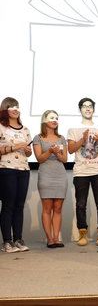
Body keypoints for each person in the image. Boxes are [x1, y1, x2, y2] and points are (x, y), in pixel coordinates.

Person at [67, 98, 98, 246]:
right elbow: (71, 149)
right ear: (79, 109)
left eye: (90, 106)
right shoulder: (73, 129)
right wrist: (82, 139)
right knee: (81, 204)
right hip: (81, 172)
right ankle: (82, 234)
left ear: (94, 109)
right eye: (84, 106)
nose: (87, 109)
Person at [0, 97, 32, 253]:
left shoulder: (25, 129)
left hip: (24, 170)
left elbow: (29, 152)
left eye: (17, 106)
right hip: (6, 169)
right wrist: (15, 146)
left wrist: (27, 150)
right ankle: (7, 242)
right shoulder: (0, 127)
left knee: (19, 206)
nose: (15, 109)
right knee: (8, 205)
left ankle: (18, 239)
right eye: (12, 106)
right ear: (5, 109)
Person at [32, 110, 68, 248]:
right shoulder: (38, 138)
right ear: (44, 120)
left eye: (56, 118)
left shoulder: (61, 138)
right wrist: (49, 151)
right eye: (52, 118)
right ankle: (49, 239)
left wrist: (57, 153)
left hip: (60, 174)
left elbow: (65, 159)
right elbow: (39, 158)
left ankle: (56, 237)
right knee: (47, 207)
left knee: (58, 208)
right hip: (46, 174)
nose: (55, 120)